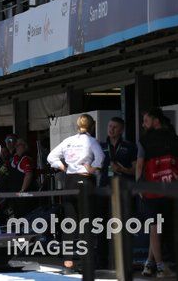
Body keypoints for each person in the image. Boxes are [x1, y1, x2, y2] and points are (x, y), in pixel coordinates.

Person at [47, 113, 104, 275]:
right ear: (92, 126)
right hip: (85, 181)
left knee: (69, 224)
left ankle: (68, 263)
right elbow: (100, 157)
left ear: (77, 126)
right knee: (86, 223)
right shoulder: (91, 141)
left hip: (69, 181)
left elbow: (51, 157)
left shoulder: (68, 141)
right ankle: (87, 263)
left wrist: (63, 167)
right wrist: (93, 168)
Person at [136, 108, 178, 278]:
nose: (143, 124)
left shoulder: (145, 140)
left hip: (151, 189)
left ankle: (160, 266)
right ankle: (149, 263)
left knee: (154, 226)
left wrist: (139, 186)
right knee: (160, 227)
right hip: (171, 189)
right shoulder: (175, 140)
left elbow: (140, 165)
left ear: (156, 121)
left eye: (146, 121)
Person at [99, 117, 138, 188]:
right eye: (110, 126)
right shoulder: (101, 146)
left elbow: (136, 170)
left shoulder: (130, 146)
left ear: (121, 130)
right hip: (105, 186)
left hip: (124, 188)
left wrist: (121, 169)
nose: (111, 129)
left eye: (115, 127)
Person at [8, 138, 35, 218]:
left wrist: (22, 190)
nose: (16, 147)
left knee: (24, 217)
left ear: (24, 146)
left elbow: (28, 174)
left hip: (23, 196)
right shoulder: (17, 158)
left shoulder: (25, 159)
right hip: (15, 194)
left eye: (18, 145)